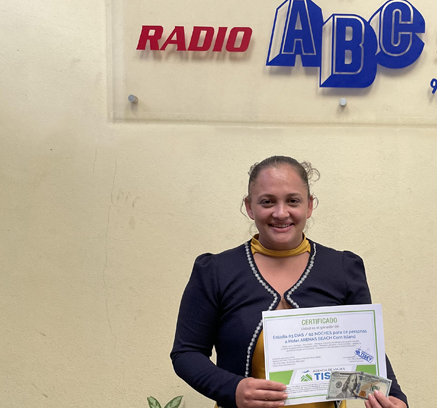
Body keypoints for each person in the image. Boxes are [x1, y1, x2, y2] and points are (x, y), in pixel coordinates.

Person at [170, 156, 408, 408]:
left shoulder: (343, 269)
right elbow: (187, 353)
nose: (281, 213)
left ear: (309, 206)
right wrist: (233, 388)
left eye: (293, 201)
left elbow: (366, 348)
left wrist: (395, 398)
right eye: (267, 201)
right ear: (249, 207)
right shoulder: (216, 271)